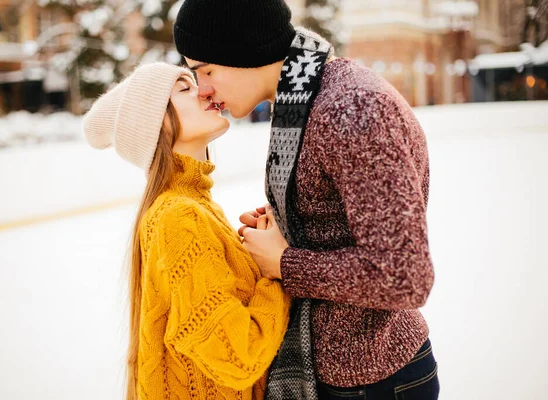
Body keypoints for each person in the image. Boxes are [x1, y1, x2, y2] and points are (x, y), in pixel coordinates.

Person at [173, 1, 439, 399]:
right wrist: (289, 219)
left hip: (375, 379)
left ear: (243, 49)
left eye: (206, 70)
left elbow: (403, 277)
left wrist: (284, 263)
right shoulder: (303, 99)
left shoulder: (351, 109)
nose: (204, 89)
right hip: (343, 372)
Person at [83, 62, 290, 400]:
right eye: (185, 88)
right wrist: (275, 270)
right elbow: (236, 355)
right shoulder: (180, 216)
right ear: (158, 123)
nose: (205, 91)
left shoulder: (193, 207)